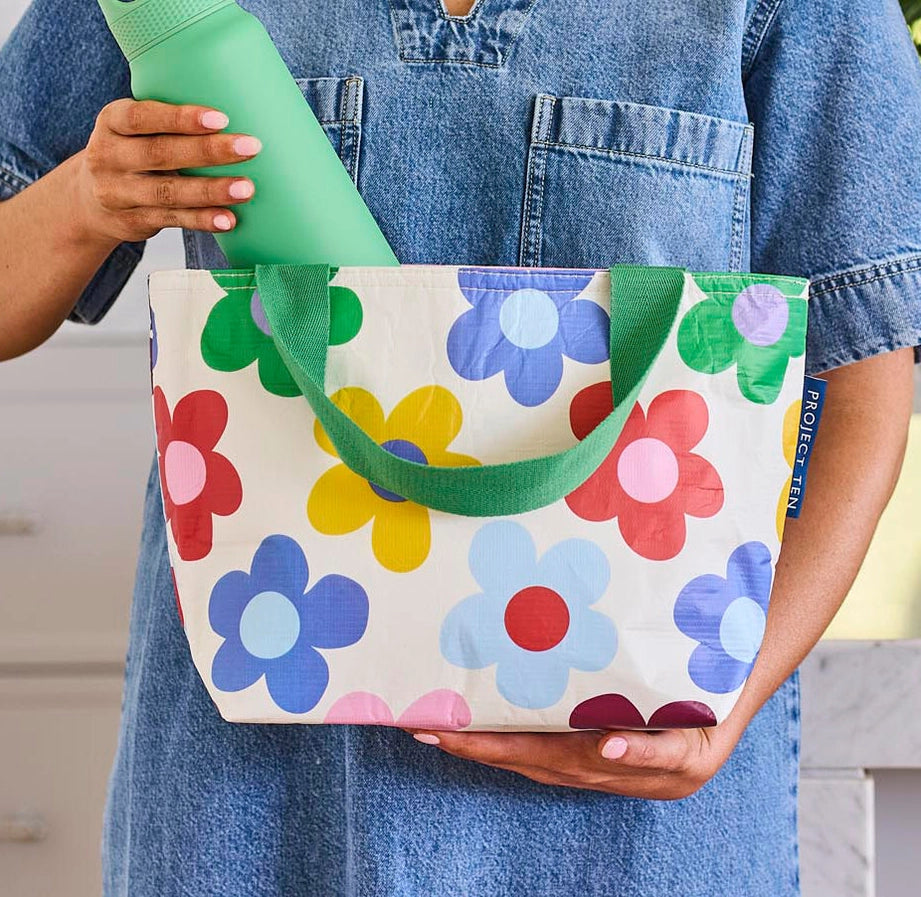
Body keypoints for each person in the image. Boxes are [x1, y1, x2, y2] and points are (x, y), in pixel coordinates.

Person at [1, 0, 919, 893]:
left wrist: (734, 702)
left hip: (627, 809)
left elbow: (865, 374)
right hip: (250, 797)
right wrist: (88, 200)